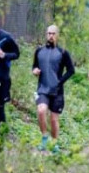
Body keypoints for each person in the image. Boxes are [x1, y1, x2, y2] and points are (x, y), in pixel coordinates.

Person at [32, 24, 76, 152]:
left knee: (53, 119)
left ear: (57, 35)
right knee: (41, 111)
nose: (51, 36)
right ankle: (45, 138)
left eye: (53, 33)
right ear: (46, 35)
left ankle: (54, 143)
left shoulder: (63, 53)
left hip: (57, 91)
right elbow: (34, 66)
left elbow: (71, 70)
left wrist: (60, 82)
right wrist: (35, 70)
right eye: (49, 33)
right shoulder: (39, 51)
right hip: (42, 89)